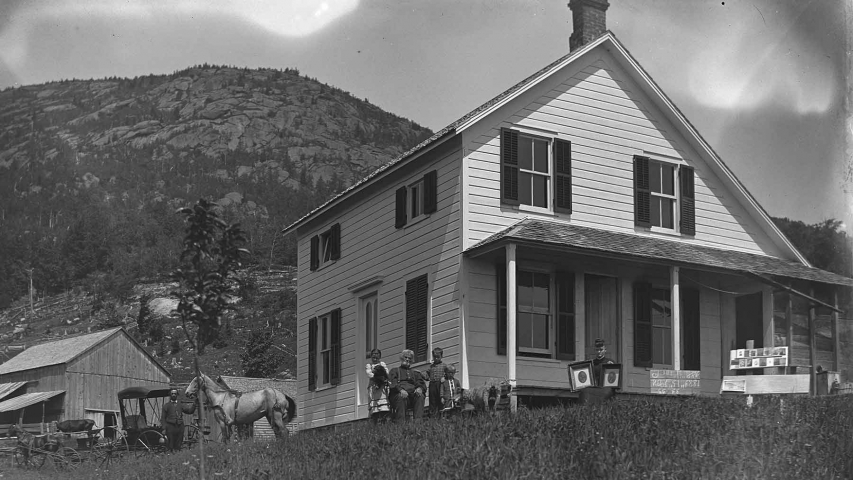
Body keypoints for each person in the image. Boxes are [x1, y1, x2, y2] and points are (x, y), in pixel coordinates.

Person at [388, 349, 426, 422]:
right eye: (406, 357)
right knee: (401, 397)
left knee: (420, 396)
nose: (408, 359)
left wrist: (419, 388)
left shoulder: (415, 372)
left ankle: (418, 423)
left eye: (410, 358)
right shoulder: (394, 371)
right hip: (398, 394)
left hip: (412, 395)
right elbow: (393, 384)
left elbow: (421, 383)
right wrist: (401, 390)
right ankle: (401, 424)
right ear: (402, 358)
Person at [365, 348, 390, 421]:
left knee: (383, 403)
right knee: (374, 404)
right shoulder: (369, 365)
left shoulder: (382, 364)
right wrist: (377, 376)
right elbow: (369, 374)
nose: (375, 356)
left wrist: (382, 376)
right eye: (373, 354)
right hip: (374, 386)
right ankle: (375, 417)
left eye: (377, 354)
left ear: (380, 356)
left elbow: (386, 372)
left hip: (382, 386)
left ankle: (384, 416)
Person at [425, 347, 447, 417]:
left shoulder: (444, 366)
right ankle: (432, 416)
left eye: (438, 357)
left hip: (440, 385)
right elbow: (427, 375)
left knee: (440, 400)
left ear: (441, 356)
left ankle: (441, 415)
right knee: (432, 400)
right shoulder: (431, 366)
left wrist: (445, 377)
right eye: (434, 357)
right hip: (432, 385)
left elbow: (448, 374)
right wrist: (424, 376)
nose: (436, 358)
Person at [161, 388, 184, 452]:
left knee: (179, 444)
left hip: (180, 426)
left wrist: (194, 404)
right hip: (170, 427)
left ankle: (177, 455)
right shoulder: (166, 406)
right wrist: (164, 428)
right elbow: (163, 418)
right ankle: (171, 454)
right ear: (170, 395)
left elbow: (189, 411)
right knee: (171, 444)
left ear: (177, 395)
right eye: (172, 394)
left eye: (175, 394)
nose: (173, 395)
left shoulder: (180, 405)